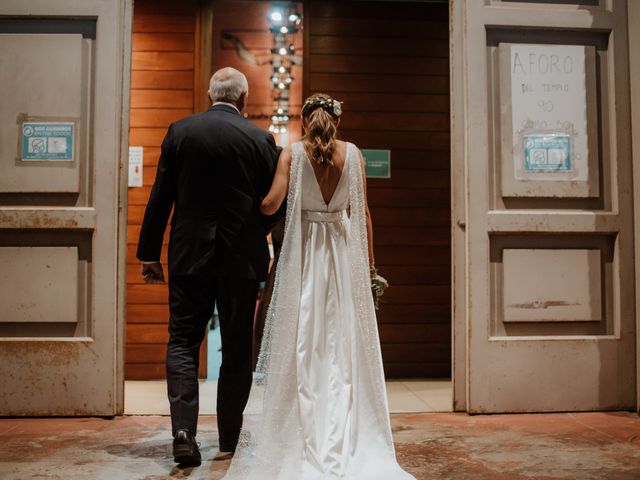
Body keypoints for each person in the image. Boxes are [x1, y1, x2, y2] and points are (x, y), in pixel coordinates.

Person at [223, 93, 415, 479]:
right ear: (337, 122)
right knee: (342, 341)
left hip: (307, 254)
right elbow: (361, 215)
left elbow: (270, 204)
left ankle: (304, 424)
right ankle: (343, 422)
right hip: (342, 256)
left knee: (305, 338)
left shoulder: (293, 154)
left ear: (305, 122)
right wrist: (371, 266)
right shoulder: (355, 155)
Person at [136, 67, 280, 466]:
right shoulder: (260, 139)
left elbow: (161, 196)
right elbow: (276, 201)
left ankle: (183, 432)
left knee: (182, 341)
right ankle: (230, 439)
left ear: (209, 94)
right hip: (241, 260)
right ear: (244, 99)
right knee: (236, 346)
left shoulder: (181, 132)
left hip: (189, 255)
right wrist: (256, 231)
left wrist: (149, 252)